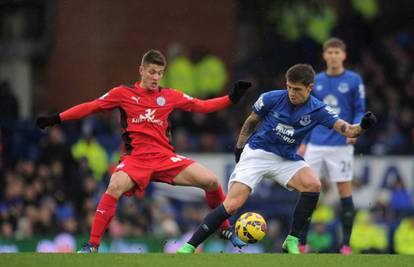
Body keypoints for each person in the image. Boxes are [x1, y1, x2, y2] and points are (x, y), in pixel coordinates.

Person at [36, 49, 252, 253]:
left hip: (165, 158)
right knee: (114, 186)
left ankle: (223, 228)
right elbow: (91, 106)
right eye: (151, 72)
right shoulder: (122, 93)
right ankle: (92, 244)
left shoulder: (169, 95)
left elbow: (202, 106)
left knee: (212, 182)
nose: (156, 77)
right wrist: (57, 118)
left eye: (159, 73)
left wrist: (231, 98)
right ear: (141, 70)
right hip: (136, 160)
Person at [177, 63, 376, 254]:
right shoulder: (272, 98)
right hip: (258, 153)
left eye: (297, 89)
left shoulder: (318, 110)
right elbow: (251, 121)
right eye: (289, 87)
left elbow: (349, 130)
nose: (292, 93)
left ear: (310, 88)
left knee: (313, 184)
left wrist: (363, 126)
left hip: (286, 158)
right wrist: (239, 146)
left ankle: (292, 240)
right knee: (232, 204)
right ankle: (190, 246)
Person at [298, 37, 365, 254]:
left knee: (344, 192)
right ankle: (301, 242)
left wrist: (356, 130)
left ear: (344, 55)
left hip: (341, 145)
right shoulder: (315, 80)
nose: (334, 56)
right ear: (324, 55)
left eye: (338, 52)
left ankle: (345, 244)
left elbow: (359, 108)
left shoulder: (354, 80)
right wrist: (304, 142)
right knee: (307, 191)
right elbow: (308, 113)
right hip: (316, 143)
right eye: (330, 52)